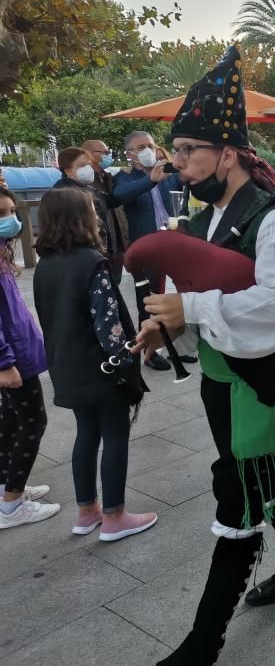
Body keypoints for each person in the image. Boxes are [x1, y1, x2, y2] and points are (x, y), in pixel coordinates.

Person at [132, 47, 275, 665]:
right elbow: (195, 293)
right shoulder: (209, 218)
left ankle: (202, 643)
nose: (178, 163)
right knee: (270, 472)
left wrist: (192, 311)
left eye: (189, 150)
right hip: (221, 377)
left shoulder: (273, 222)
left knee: (240, 493)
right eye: (176, 151)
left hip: (267, 378)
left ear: (229, 152)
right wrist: (168, 326)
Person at [33, 187, 156, 540]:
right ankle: (116, 516)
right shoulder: (92, 263)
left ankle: (87, 511)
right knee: (115, 434)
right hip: (100, 367)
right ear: (80, 218)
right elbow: (108, 324)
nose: (97, 216)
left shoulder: (45, 265)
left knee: (86, 433)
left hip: (66, 366)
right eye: (91, 209)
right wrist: (125, 360)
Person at [0, 188, 60, 530]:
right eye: (1, 213)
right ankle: (12, 504)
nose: (9, 221)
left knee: (9, 422)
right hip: (11, 359)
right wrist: (4, 362)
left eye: (10, 211)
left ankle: (7, 488)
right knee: (32, 423)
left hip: (16, 353)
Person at [111, 131, 182, 372]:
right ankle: (151, 351)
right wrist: (150, 180)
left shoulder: (167, 172)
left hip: (173, 241)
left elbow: (184, 188)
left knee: (183, 293)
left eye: (150, 145)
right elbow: (120, 196)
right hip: (146, 247)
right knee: (149, 300)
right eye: (141, 147)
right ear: (130, 154)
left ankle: (177, 344)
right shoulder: (125, 177)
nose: (148, 150)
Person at [81, 140, 128, 284]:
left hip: (118, 245)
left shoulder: (111, 179)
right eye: (104, 152)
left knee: (115, 283)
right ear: (88, 154)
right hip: (98, 245)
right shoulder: (83, 182)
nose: (109, 156)